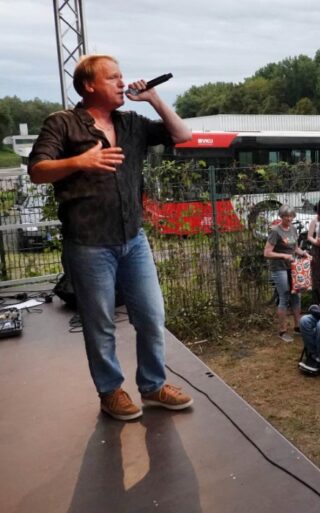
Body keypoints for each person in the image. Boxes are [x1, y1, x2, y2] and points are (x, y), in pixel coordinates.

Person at [28, 54, 194, 420]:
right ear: (89, 85)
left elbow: (183, 135)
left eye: (122, 77)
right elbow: (37, 170)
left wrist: (152, 99)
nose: (122, 83)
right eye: (113, 78)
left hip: (133, 240)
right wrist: (79, 162)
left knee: (151, 316)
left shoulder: (132, 123)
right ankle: (110, 391)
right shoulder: (63, 123)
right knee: (100, 322)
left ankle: (152, 386)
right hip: (88, 243)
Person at [264, 205, 310, 342]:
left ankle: (298, 326)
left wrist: (304, 253)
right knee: (284, 296)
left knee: (297, 295)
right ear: (281, 217)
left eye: (291, 216)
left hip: (293, 267)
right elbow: (267, 253)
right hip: (279, 267)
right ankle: (282, 330)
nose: (289, 218)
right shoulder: (275, 231)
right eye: (286, 216)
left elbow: (295, 248)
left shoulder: (293, 229)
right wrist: (283, 256)